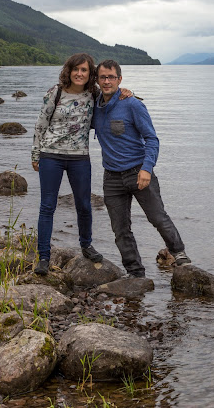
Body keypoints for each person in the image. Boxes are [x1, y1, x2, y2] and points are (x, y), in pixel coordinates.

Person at [31, 53, 132, 275]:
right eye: (76, 69)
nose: (79, 73)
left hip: (79, 157)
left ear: (90, 74)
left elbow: (112, 102)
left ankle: (86, 245)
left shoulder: (93, 95)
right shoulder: (55, 92)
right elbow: (40, 124)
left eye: (84, 70)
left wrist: (127, 93)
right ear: (69, 70)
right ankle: (44, 257)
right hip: (51, 155)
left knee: (84, 205)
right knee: (47, 206)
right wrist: (35, 154)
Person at [92, 59, 190, 278]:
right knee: (120, 229)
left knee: (157, 217)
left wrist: (147, 168)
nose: (107, 81)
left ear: (119, 79)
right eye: (102, 77)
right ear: (97, 80)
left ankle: (179, 254)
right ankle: (136, 273)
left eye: (111, 77)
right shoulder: (94, 106)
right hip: (112, 178)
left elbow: (152, 139)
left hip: (138, 172)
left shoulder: (133, 104)